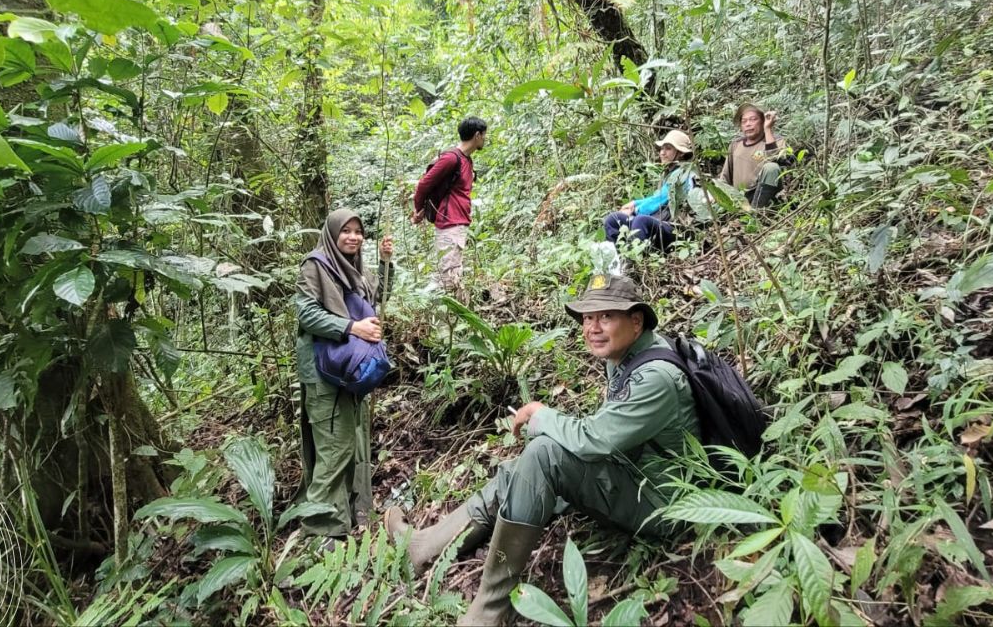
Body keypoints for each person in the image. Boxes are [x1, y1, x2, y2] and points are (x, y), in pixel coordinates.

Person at [384, 275, 697, 626]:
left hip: (664, 505)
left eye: (606, 317)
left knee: (544, 453)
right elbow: (607, 434)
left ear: (636, 321)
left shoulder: (655, 377)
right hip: (633, 474)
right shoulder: (628, 354)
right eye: (587, 318)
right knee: (531, 463)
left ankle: (490, 607)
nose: (592, 328)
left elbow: (596, 439)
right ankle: (425, 546)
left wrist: (542, 415)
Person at [294, 208, 393, 538]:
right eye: (346, 231)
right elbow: (307, 313)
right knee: (333, 451)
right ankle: (321, 532)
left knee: (351, 447)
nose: (353, 236)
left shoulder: (352, 269)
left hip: (350, 371)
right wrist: (352, 328)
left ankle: (351, 516)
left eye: (358, 231)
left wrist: (385, 264)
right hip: (323, 373)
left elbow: (374, 304)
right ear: (332, 233)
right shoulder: (316, 265)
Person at [412, 117, 486, 295]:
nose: (485, 139)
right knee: (445, 280)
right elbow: (423, 185)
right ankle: (431, 311)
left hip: (458, 223)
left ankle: (448, 318)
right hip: (449, 223)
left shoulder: (467, 161)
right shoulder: (451, 159)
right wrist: (418, 210)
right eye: (484, 135)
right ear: (477, 135)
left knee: (453, 275)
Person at [603, 129, 699, 251]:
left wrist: (634, 210)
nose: (662, 153)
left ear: (680, 153)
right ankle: (616, 261)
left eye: (668, 149)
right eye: (662, 149)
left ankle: (633, 264)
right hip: (661, 221)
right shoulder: (669, 173)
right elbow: (657, 197)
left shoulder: (682, 175)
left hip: (676, 227)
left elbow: (659, 200)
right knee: (613, 219)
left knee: (640, 221)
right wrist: (635, 203)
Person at [719, 104, 793, 208]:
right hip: (740, 198)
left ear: (762, 121)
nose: (748, 124)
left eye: (753, 119)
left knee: (771, 167)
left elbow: (777, 163)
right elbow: (725, 177)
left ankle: (755, 212)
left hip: (767, 196)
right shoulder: (735, 145)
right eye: (744, 121)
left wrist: (767, 129)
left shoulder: (776, 140)